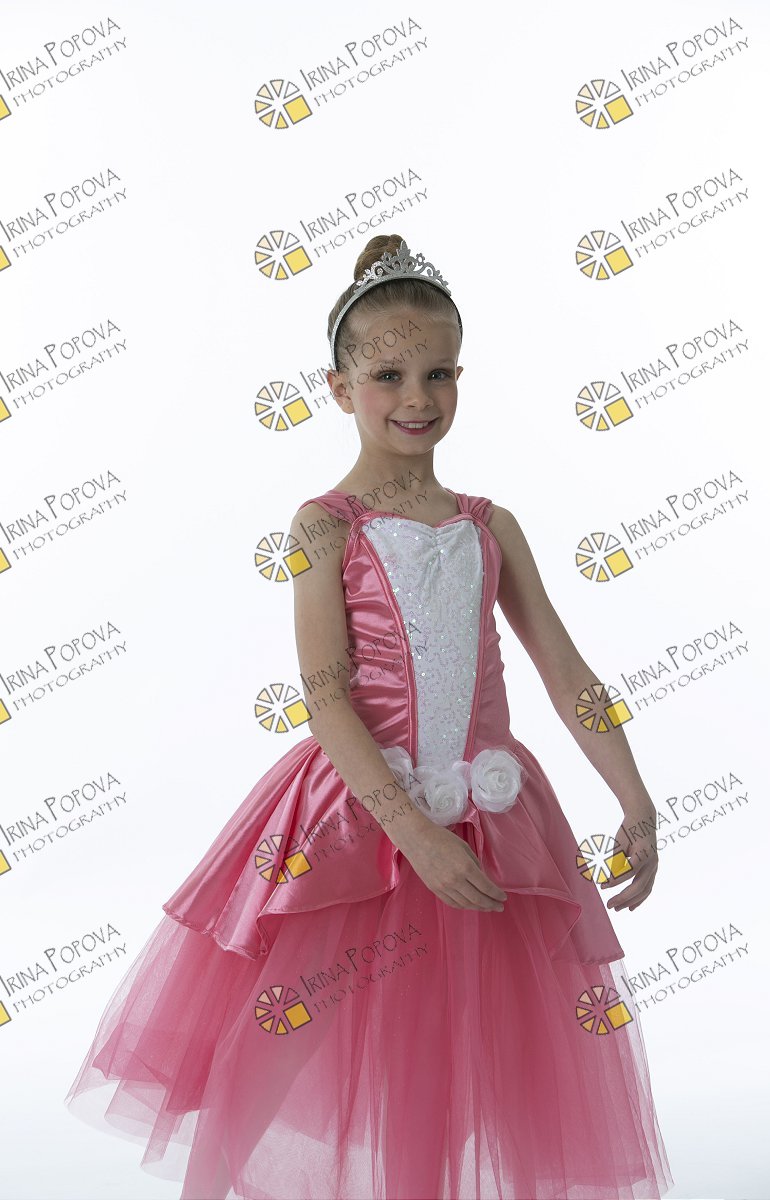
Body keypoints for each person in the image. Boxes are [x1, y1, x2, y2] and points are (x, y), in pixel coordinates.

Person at [64, 233, 674, 1200]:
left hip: (492, 820)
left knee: (466, 1051)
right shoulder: (323, 525)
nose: (416, 397)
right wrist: (413, 834)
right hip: (358, 822)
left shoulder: (490, 525)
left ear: (462, 376)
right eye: (388, 375)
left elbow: (565, 671)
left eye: (438, 373)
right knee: (295, 1028)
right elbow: (325, 694)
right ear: (340, 388)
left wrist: (635, 801)